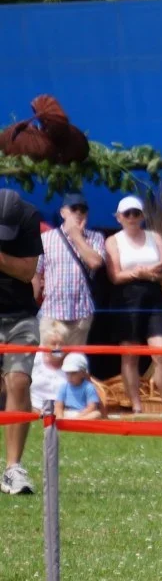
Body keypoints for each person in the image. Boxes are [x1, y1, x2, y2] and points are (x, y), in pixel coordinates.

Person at [104, 196, 162, 416]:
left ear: (143, 216)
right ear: (119, 217)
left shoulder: (154, 236)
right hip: (127, 297)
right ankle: (136, 406)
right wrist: (137, 273)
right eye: (127, 214)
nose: (132, 218)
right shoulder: (113, 241)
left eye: (136, 213)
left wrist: (152, 275)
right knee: (130, 354)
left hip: (153, 295)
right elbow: (114, 276)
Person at [0, 189, 44, 495]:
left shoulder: (28, 218)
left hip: (20, 315)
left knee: (18, 381)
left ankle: (13, 469)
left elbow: (27, 270)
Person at [35, 192, 106, 345]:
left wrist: (76, 236)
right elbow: (35, 273)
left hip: (81, 315)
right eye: (74, 209)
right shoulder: (46, 238)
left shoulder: (96, 238)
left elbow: (95, 262)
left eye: (83, 210)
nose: (79, 213)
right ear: (63, 212)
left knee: (74, 365)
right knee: (49, 365)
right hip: (51, 314)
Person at [30, 322, 68, 414]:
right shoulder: (35, 358)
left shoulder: (71, 363)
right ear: (45, 345)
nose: (57, 347)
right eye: (54, 344)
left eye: (61, 344)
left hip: (61, 411)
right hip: (33, 408)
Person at [54, 353, 105, 420]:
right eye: (67, 373)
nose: (70, 377)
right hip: (67, 412)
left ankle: (75, 422)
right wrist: (60, 416)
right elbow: (58, 405)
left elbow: (92, 406)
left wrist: (78, 416)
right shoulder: (64, 386)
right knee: (53, 412)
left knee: (96, 414)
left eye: (73, 373)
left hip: (83, 414)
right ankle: (66, 422)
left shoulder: (88, 387)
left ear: (83, 373)